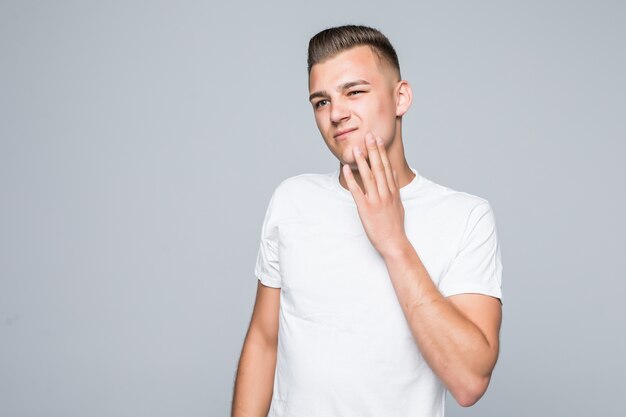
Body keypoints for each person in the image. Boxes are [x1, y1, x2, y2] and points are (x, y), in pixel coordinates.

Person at [231, 24, 503, 417]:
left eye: (354, 92)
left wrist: (394, 244)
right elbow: (264, 340)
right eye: (320, 102)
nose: (336, 113)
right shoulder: (292, 200)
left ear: (400, 97)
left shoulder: (466, 217)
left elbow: (469, 380)